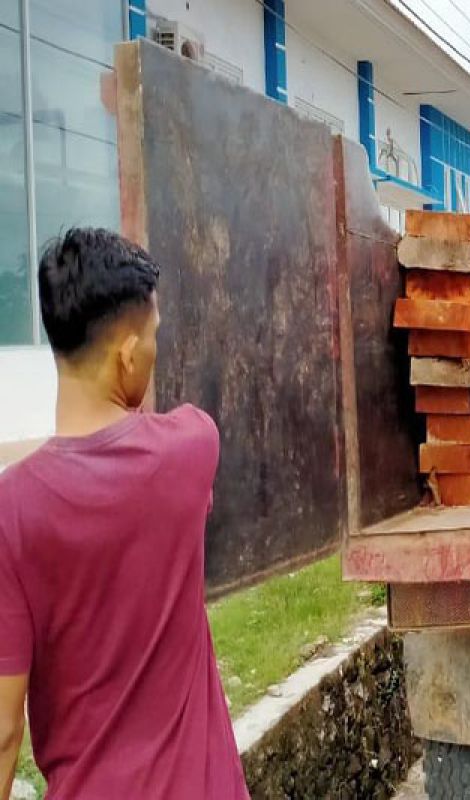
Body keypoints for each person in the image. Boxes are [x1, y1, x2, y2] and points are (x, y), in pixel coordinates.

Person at [0, 229, 248, 799]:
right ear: (129, 354)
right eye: (154, 337)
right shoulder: (191, 448)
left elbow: (5, 727)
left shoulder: (13, 515)